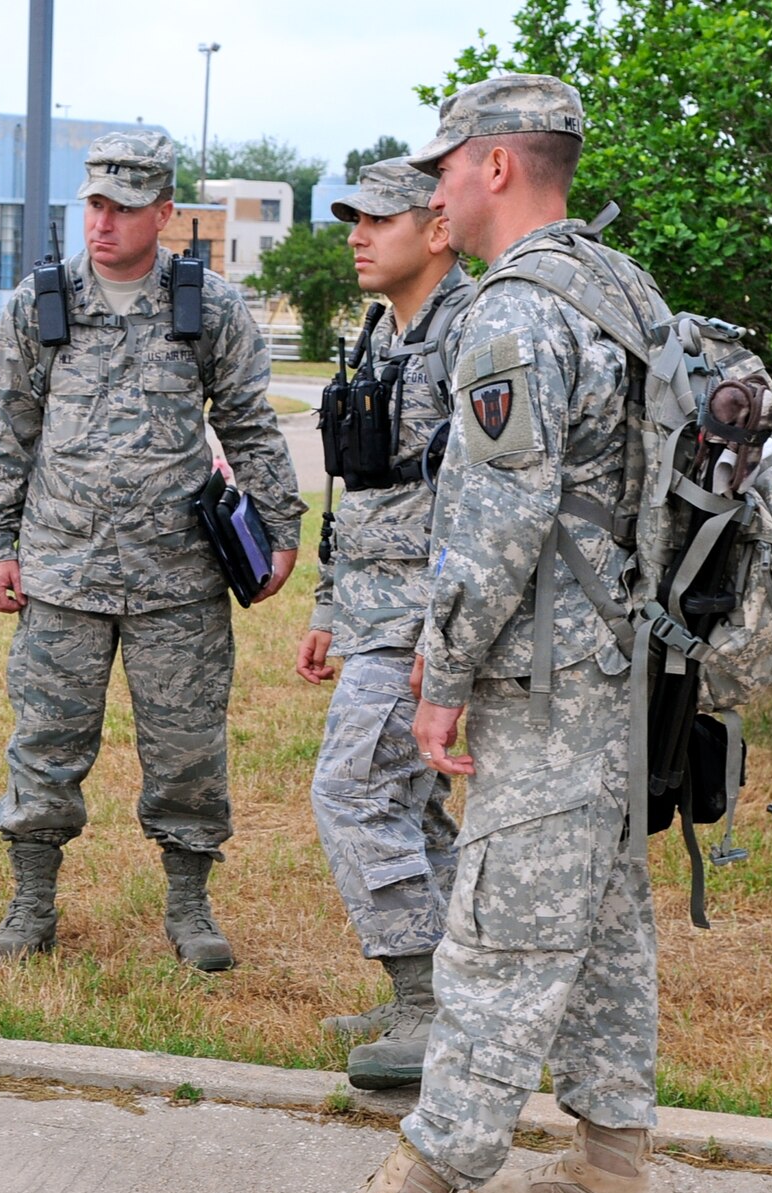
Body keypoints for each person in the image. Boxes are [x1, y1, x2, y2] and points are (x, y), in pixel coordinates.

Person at [246, 74, 664, 1193]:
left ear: (493, 165)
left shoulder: (513, 318)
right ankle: (610, 1165)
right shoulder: (613, 285)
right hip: (620, 662)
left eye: (442, 166)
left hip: (546, 672)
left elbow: (494, 523)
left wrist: (441, 672)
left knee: (495, 932)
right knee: (601, 921)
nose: (430, 187)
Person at [0, 129, 305, 971]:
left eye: (122, 207)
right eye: (93, 205)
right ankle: (31, 903)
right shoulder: (40, 303)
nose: (103, 222)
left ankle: (190, 907)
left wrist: (281, 529)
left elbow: (251, 422)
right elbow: (3, 429)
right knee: (45, 744)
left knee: (187, 753)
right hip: (62, 569)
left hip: (178, 576)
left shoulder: (208, 306)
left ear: (163, 213)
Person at [300, 158, 473, 1089]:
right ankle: (446, 994)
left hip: (423, 617)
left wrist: (446, 645)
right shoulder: (384, 332)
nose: (358, 235)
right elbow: (360, 483)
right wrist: (330, 604)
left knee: (353, 791)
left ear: (435, 229)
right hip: (372, 606)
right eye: (351, 220)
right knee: (412, 809)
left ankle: (423, 1001)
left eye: (378, 220)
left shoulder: (465, 335)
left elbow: (480, 506)